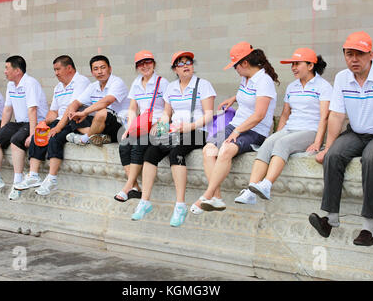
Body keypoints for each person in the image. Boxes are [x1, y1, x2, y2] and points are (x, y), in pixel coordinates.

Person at [309, 31, 373, 246]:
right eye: (349, 54)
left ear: (371, 55)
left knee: (371, 158)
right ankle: (330, 219)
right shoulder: (342, 78)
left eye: (359, 54)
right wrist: (327, 147)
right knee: (334, 155)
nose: (354, 59)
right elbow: (337, 115)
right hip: (356, 132)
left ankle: (369, 229)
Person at [190, 42, 279, 214]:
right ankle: (217, 198)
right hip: (235, 125)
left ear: (244, 63)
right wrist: (233, 99)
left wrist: (238, 132)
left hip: (255, 131)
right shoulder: (245, 78)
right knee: (208, 149)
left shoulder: (264, 81)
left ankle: (207, 195)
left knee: (226, 150)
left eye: (235, 66)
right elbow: (247, 95)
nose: (235, 70)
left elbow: (259, 115)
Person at [234, 48, 331, 205]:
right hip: (290, 128)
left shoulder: (323, 86)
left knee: (282, 144)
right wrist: (276, 135)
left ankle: (267, 184)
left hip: (309, 131)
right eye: (292, 64)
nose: (293, 67)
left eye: (297, 64)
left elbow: (324, 117)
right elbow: (285, 115)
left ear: (310, 65)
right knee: (269, 143)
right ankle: (251, 190)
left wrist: (318, 143)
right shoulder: (292, 87)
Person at [131, 51, 216, 227]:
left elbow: (209, 115)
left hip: (197, 131)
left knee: (176, 153)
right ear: (175, 69)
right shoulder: (171, 88)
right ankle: (145, 201)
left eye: (189, 62)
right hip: (175, 130)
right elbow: (166, 113)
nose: (186, 65)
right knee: (151, 152)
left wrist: (189, 127)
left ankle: (180, 205)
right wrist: (161, 130)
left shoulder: (203, 85)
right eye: (181, 63)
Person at [14, 55, 91, 196]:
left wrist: (58, 128)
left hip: (75, 120)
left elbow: (71, 108)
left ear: (69, 68)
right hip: (60, 120)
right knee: (40, 134)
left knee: (55, 137)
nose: (56, 73)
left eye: (58, 69)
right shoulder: (58, 87)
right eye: (54, 70)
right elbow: (54, 111)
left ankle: (52, 179)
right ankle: (33, 175)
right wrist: (44, 123)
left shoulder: (81, 81)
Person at [0, 55, 49, 200]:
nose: (4, 71)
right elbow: (7, 109)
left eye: (7, 68)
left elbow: (33, 110)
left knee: (16, 141)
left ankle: (17, 183)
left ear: (17, 71)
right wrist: (1, 132)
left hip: (34, 122)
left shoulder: (30, 83)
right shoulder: (11, 85)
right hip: (19, 122)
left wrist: (32, 134)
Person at [115, 50, 169, 202]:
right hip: (142, 124)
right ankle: (135, 187)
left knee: (139, 144)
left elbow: (168, 110)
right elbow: (132, 109)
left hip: (159, 124)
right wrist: (130, 129)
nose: (145, 66)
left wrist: (159, 124)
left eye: (148, 62)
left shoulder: (162, 82)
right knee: (124, 145)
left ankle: (127, 186)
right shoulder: (136, 83)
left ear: (154, 64)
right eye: (141, 64)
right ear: (137, 67)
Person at [65, 55, 129, 146]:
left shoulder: (117, 82)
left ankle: (84, 138)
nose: (100, 72)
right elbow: (76, 102)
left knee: (102, 112)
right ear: (92, 72)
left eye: (103, 68)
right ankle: (100, 136)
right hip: (100, 124)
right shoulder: (93, 86)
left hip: (119, 126)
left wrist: (85, 113)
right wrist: (72, 113)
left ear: (110, 69)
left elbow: (106, 102)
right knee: (75, 114)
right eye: (96, 69)